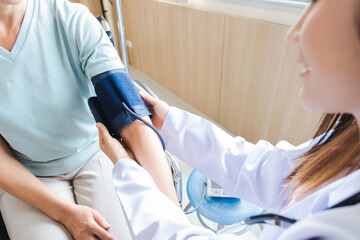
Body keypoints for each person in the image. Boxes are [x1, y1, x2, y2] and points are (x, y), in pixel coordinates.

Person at [97, 0, 360, 239]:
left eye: (318, 3)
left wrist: (128, 171)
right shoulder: (350, 144)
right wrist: (170, 123)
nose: (294, 34)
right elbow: (273, 171)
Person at [0, 0, 178, 239]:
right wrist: (65, 213)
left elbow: (132, 118)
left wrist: (175, 223)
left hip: (95, 153)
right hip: (27, 172)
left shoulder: (73, 20)